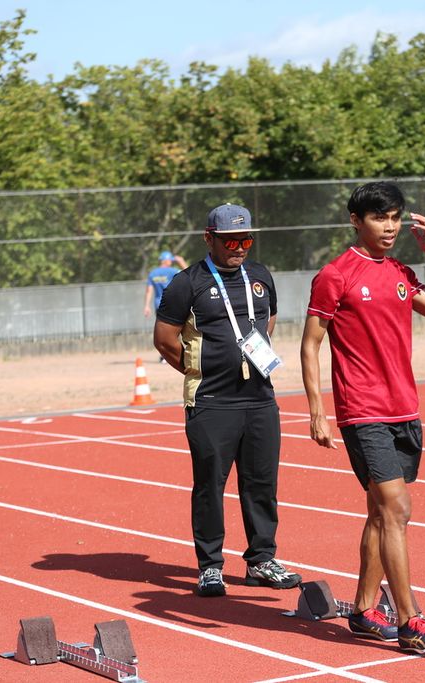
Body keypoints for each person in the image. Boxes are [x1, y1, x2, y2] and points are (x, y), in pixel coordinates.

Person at [300, 182, 425, 655]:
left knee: (378, 512)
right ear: (356, 220)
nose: (388, 226)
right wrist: (317, 410)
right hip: (362, 410)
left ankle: (365, 610)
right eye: (378, 218)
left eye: (394, 217)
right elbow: (311, 344)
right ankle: (411, 620)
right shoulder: (335, 275)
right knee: (397, 509)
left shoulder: (401, 272)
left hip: (404, 408)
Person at [153, 203, 301, 597]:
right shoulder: (188, 283)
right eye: (230, 240)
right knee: (209, 486)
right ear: (209, 238)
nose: (239, 247)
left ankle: (261, 560)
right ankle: (210, 565)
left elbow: (267, 322)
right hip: (211, 401)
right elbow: (164, 339)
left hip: (259, 399)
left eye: (246, 239)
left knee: (261, 483)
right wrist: (198, 368)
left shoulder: (260, 275)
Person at [143, 250, 187, 318]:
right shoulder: (173, 271)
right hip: (172, 305)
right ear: (165, 260)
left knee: (161, 328)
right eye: (170, 260)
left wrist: (147, 306)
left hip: (159, 306)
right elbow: (189, 273)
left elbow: (149, 291)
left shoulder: (153, 273)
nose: (171, 262)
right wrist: (181, 261)